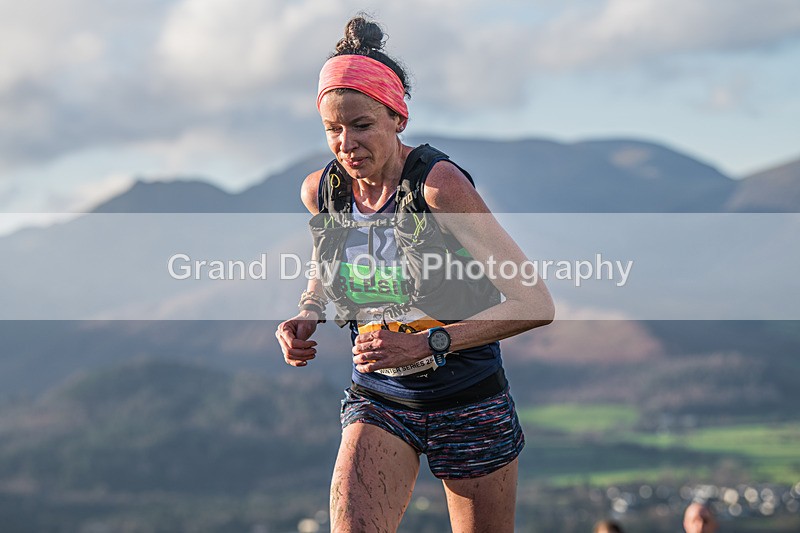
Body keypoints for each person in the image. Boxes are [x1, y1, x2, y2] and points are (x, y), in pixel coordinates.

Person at [275, 15, 554, 533]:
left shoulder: (438, 186)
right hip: (379, 397)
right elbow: (325, 265)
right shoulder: (324, 191)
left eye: (361, 125)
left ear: (397, 118)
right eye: (332, 129)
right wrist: (307, 312)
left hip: (469, 401)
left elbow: (535, 303)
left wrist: (429, 343)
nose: (345, 143)